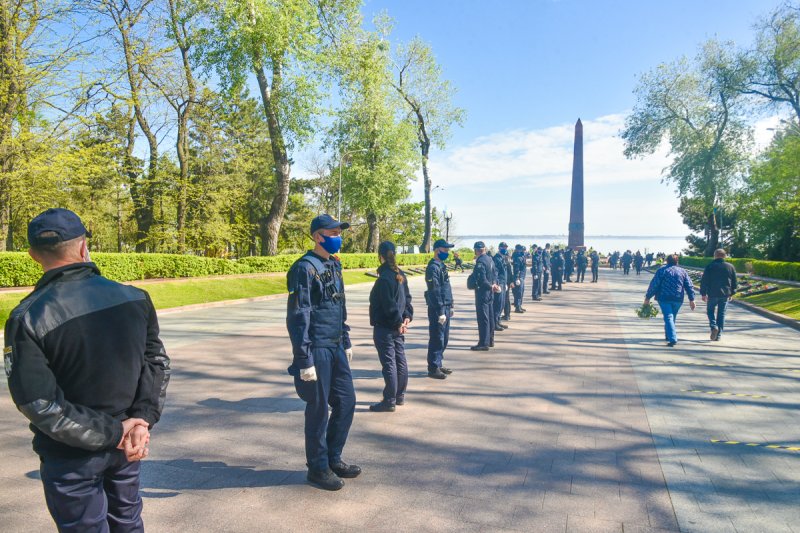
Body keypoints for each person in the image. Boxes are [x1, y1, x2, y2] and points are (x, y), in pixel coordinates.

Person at [5, 208, 170, 532]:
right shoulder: (135, 298)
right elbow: (158, 364)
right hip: (126, 441)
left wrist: (121, 429)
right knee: (128, 523)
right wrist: (140, 420)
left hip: (73, 454)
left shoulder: (27, 317)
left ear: (33, 255)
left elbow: (38, 403)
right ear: (84, 248)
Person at [286, 214, 360, 491]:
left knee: (347, 401)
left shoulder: (333, 264)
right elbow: (299, 316)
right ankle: (317, 468)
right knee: (318, 411)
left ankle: (332, 457)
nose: (337, 236)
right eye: (332, 232)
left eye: (338, 231)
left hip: (336, 344)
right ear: (318, 236)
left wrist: (346, 338)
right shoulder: (304, 268)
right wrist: (304, 359)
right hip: (316, 348)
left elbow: (339, 304)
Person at [368, 241, 413, 412]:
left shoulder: (385, 278)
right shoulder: (399, 274)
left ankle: (390, 400)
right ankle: (399, 395)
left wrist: (399, 321)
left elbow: (389, 305)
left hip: (387, 327)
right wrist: (406, 317)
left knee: (390, 363)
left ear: (380, 256)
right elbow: (406, 299)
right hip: (397, 325)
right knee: (400, 360)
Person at [644, 254, 697, 347]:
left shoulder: (662, 270)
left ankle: (672, 338)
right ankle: (668, 335)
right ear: (677, 261)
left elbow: (654, 284)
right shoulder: (682, 271)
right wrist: (692, 299)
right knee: (672, 317)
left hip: (664, 297)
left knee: (668, 317)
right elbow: (689, 285)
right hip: (678, 298)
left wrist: (648, 297)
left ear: (667, 261)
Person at [425, 239, 455, 379]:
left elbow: (446, 288)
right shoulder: (433, 268)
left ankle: (438, 362)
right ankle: (433, 367)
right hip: (438, 308)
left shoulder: (441, 265)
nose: (447, 252)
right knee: (437, 338)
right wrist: (441, 310)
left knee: (445, 338)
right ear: (437, 250)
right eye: (445, 249)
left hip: (446, 306)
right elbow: (435, 291)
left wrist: (451, 304)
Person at [700, 248, 738, 341]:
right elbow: (734, 281)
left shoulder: (710, 266)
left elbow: (704, 281)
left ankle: (713, 326)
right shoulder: (730, 267)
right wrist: (732, 292)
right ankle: (719, 335)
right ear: (724, 256)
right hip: (725, 294)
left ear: (715, 256)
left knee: (710, 311)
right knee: (721, 314)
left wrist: (703, 293)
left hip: (712, 293)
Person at [470, 241, 499, 351]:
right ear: (485, 249)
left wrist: (490, 286)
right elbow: (495, 272)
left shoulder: (480, 261)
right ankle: (490, 340)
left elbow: (481, 279)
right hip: (490, 292)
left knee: (483, 318)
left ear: (476, 250)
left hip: (483, 292)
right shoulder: (490, 259)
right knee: (490, 317)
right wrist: (494, 284)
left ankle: (483, 342)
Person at [492, 243, 510, 330]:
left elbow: (505, 272)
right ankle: (495, 323)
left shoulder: (504, 258)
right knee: (497, 304)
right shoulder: (496, 258)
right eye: (503, 247)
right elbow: (495, 272)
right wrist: (496, 283)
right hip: (499, 284)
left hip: (503, 283)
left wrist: (506, 283)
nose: (505, 249)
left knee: (502, 304)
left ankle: (498, 321)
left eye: (506, 247)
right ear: (499, 248)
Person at [511, 244, 527, 313]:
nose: (523, 251)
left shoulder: (521, 256)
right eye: (521, 249)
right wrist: (517, 278)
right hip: (519, 277)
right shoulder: (518, 258)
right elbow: (516, 269)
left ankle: (519, 305)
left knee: (521, 292)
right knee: (518, 292)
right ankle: (517, 307)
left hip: (522, 277)